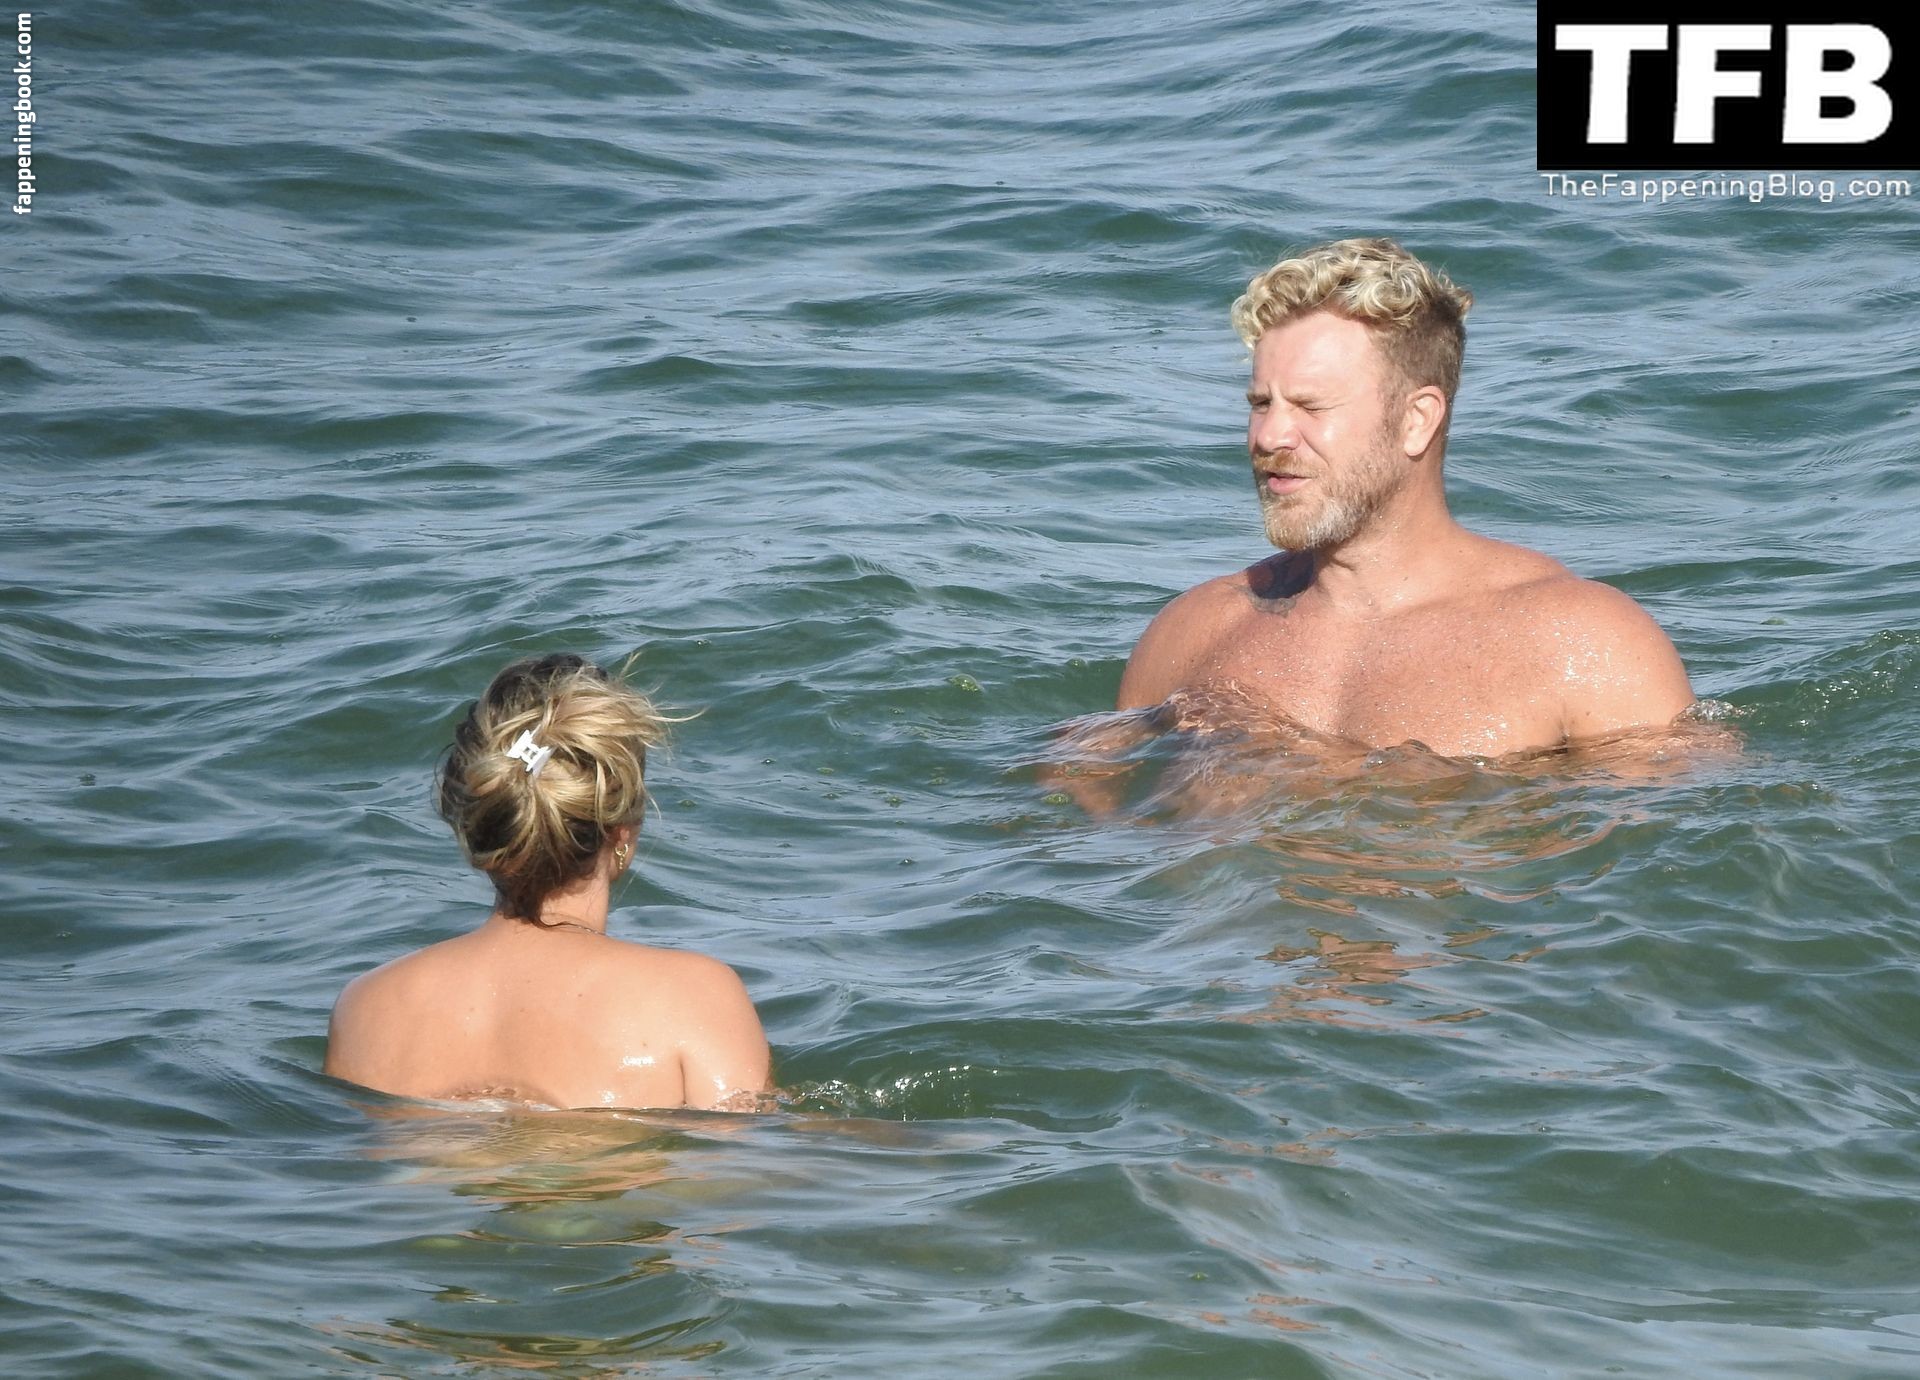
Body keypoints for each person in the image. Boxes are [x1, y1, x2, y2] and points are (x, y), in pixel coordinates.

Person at [1117, 237, 1695, 759]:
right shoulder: (1191, 635)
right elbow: (1098, 822)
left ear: (1417, 420)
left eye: (1310, 406)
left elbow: (1673, 830)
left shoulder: (1584, 644)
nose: (1269, 437)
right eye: (1261, 404)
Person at [324, 654, 770, 1111]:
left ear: (474, 830)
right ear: (623, 835)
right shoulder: (692, 997)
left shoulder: (364, 1006)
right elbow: (747, 1149)